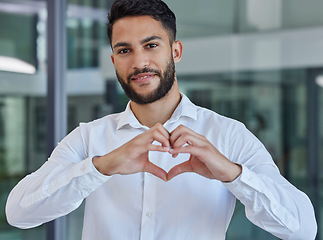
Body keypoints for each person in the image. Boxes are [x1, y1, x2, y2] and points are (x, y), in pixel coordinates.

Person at [6, 0, 317, 239]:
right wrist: (101, 166)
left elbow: (302, 228)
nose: (139, 61)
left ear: (176, 51)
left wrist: (233, 174)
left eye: (151, 45)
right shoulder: (89, 138)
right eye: (125, 50)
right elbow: (19, 212)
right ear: (114, 60)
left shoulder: (229, 136)